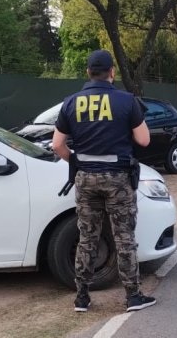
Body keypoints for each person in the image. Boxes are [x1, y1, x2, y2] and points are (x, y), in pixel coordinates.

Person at [51, 49, 157, 313]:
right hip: (118, 179)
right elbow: (144, 140)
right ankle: (133, 296)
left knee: (87, 237)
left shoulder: (71, 103)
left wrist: (76, 163)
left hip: (85, 179)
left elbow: (57, 145)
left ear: (88, 72)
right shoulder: (126, 101)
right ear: (112, 72)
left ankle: (82, 298)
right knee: (124, 238)